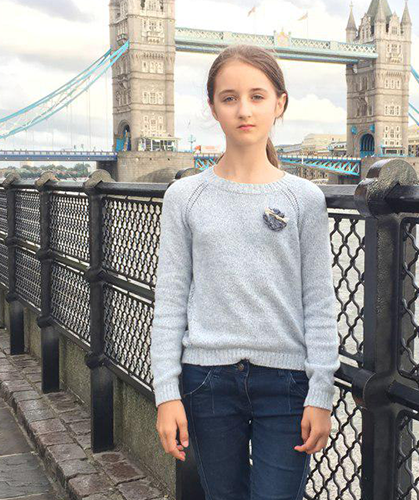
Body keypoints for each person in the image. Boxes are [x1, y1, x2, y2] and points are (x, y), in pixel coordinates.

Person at [149, 44, 341, 500]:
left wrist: (321, 392)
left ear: (280, 103)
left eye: (257, 96)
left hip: (287, 383)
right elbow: (170, 300)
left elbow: (319, 301)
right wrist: (166, 393)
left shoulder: (305, 199)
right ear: (213, 106)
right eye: (230, 98)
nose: (244, 110)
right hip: (207, 380)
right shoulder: (184, 197)